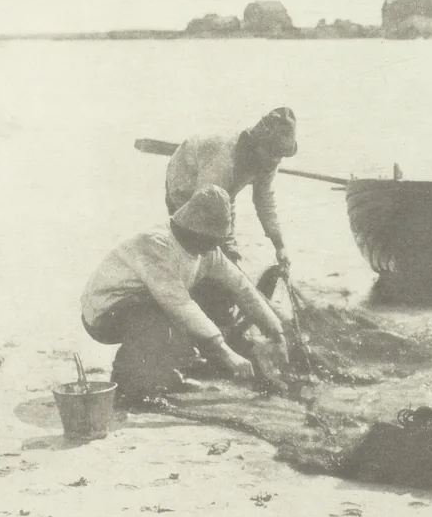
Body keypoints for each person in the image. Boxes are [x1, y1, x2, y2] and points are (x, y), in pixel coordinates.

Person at [80, 184, 288, 401]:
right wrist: (224, 351)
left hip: (149, 303)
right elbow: (179, 305)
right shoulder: (156, 244)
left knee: (216, 291)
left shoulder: (206, 251)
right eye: (212, 238)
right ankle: (129, 387)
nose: (215, 245)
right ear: (195, 230)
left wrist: (276, 332)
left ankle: (168, 373)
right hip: (104, 313)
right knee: (162, 319)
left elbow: (241, 287)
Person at [164, 106, 298, 271]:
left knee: (226, 254)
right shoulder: (224, 156)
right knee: (195, 244)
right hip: (185, 183)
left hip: (223, 191)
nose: (276, 160)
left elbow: (265, 201)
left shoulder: (269, 160)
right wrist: (225, 248)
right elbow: (207, 205)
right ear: (258, 145)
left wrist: (279, 245)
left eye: (281, 155)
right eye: (273, 153)